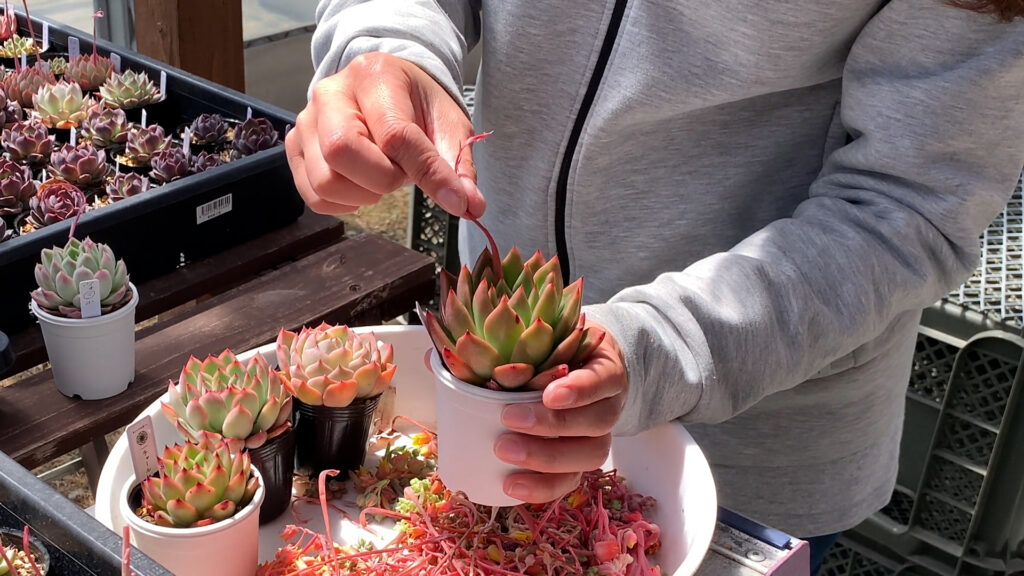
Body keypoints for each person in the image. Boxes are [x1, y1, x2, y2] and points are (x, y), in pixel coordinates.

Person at [287, 0, 1024, 572]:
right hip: (488, 387)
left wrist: (662, 349)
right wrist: (382, 50)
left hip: (751, 447)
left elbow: (909, 204)